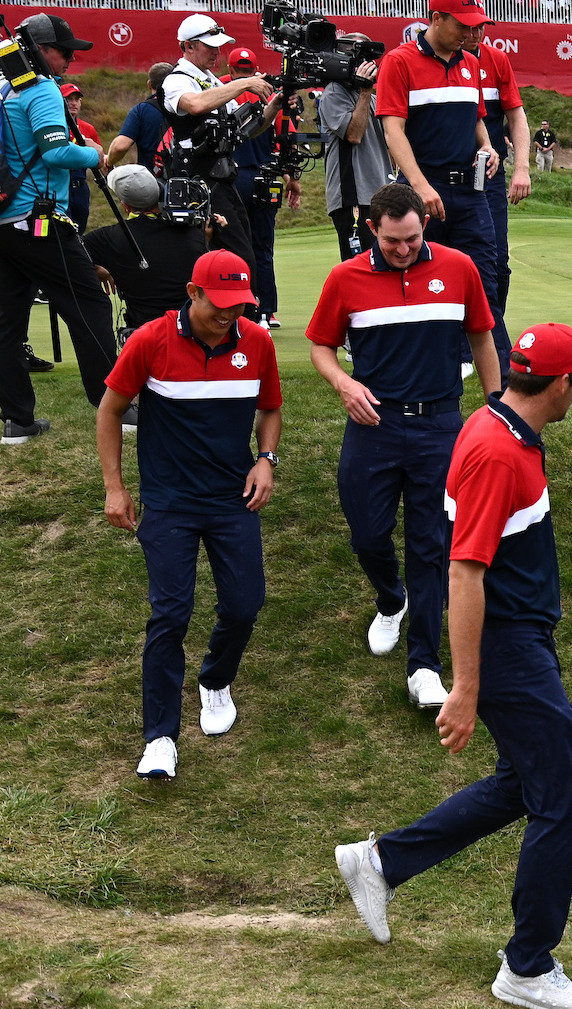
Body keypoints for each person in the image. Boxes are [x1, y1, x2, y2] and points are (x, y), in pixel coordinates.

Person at [335, 323, 572, 1009]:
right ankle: (527, 968)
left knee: (524, 783)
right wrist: (466, 686)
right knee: (563, 797)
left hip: (520, 639)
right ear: (562, 384)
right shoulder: (496, 453)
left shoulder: (499, 425)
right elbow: (463, 572)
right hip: (507, 647)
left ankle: (381, 861)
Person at [307, 183, 501, 709]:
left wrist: (495, 409)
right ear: (373, 229)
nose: (403, 249)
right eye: (392, 241)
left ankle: (424, 667)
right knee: (367, 534)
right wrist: (343, 383)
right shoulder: (346, 277)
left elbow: (482, 337)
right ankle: (392, 599)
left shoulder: (459, 268)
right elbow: (321, 345)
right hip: (374, 423)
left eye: (412, 239)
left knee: (430, 546)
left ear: (424, 226)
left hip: (440, 426)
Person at [96, 249, 282, 779]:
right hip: (170, 501)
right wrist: (115, 488)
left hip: (232, 498)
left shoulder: (258, 342)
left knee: (244, 606)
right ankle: (160, 738)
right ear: (193, 293)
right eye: (219, 303)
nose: (230, 313)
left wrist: (266, 459)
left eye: (239, 304)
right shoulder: (150, 340)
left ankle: (215, 680)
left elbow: (270, 407)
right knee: (171, 615)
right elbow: (110, 410)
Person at [0, 13, 115, 446]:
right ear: (41, 50)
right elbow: (55, 153)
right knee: (90, 306)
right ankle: (115, 405)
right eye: (64, 51)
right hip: (40, 219)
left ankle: (17, 420)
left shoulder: (5, 87)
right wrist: (93, 153)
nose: (70, 58)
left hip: (5, 220)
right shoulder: (43, 88)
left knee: (7, 323)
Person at [377, 0, 502, 344]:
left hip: (471, 191)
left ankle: (493, 366)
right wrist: (420, 186)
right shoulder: (399, 61)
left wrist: (488, 146)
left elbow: (475, 118)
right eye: (462, 25)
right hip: (422, 191)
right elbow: (393, 131)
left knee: (484, 282)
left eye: (475, 26)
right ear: (436, 18)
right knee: (421, 282)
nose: (470, 34)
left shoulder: (472, 63)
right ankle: (432, 359)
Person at [161, 14, 279, 321]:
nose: (217, 52)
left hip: (222, 181)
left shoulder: (211, 80)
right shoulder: (176, 79)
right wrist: (244, 83)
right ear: (188, 46)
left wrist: (275, 104)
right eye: (209, 46)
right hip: (198, 184)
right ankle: (238, 322)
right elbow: (195, 104)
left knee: (242, 256)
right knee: (235, 258)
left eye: (218, 45)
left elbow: (247, 129)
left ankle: (237, 322)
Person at [462, 19, 531, 376]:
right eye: (469, 28)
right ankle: (464, 347)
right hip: (446, 173)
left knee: (498, 264)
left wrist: (522, 168)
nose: (476, 34)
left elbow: (516, 117)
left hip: (488, 175)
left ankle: (486, 340)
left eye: (481, 28)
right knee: (454, 262)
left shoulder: (496, 60)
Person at [87, 164, 218, 331]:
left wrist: (94, 269)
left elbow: (68, 254)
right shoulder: (194, 233)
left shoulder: (108, 238)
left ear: (126, 206)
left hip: (143, 334)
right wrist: (206, 239)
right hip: (191, 331)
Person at [223, 47, 297, 329]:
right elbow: (286, 140)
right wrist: (292, 179)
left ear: (230, 69)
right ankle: (266, 311)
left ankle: (243, 307)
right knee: (263, 247)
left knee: (233, 246)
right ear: (255, 70)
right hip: (266, 178)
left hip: (232, 178)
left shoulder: (220, 91)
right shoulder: (270, 95)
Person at [321, 34, 393, 262]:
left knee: (383, 261)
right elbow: (353, 135)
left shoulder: (372, 97)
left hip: (380, 193)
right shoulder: (334, 92)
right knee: (362, 266)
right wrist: (365, 91)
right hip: (353, 196)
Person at [107, 61, 172, 173]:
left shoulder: (141, 111)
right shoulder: (187, 105)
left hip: (151, 178)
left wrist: (109, 162)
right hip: (188, 178)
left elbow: (120, 146)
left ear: (149, 84)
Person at [59, 82, 103, 232]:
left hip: (80, 187)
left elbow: (100, 158)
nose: (73, 103)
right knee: (65, 229)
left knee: (81, 227)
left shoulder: (88, 128)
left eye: (77, 99)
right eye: (69, 99)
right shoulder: (55, 127)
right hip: (61, 185)